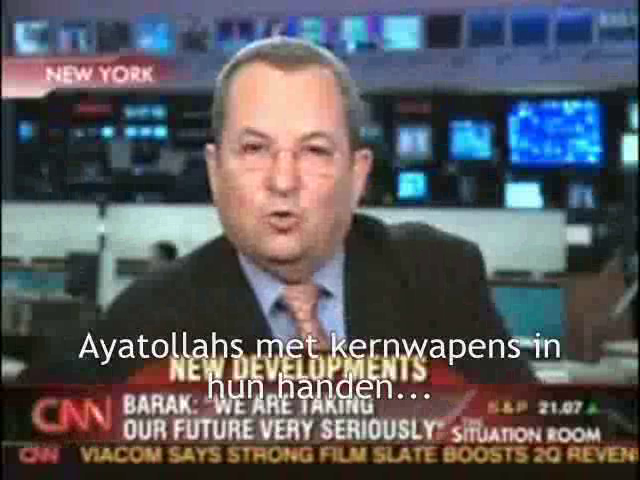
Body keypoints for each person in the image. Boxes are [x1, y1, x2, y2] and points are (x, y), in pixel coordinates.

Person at [18, 37, 536, 384]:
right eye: (254, 149)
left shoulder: (440, 278)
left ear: (357, 175)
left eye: (314, 151)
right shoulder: (145, 322)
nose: (283, 182)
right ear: (215, 171)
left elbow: (527, 439)